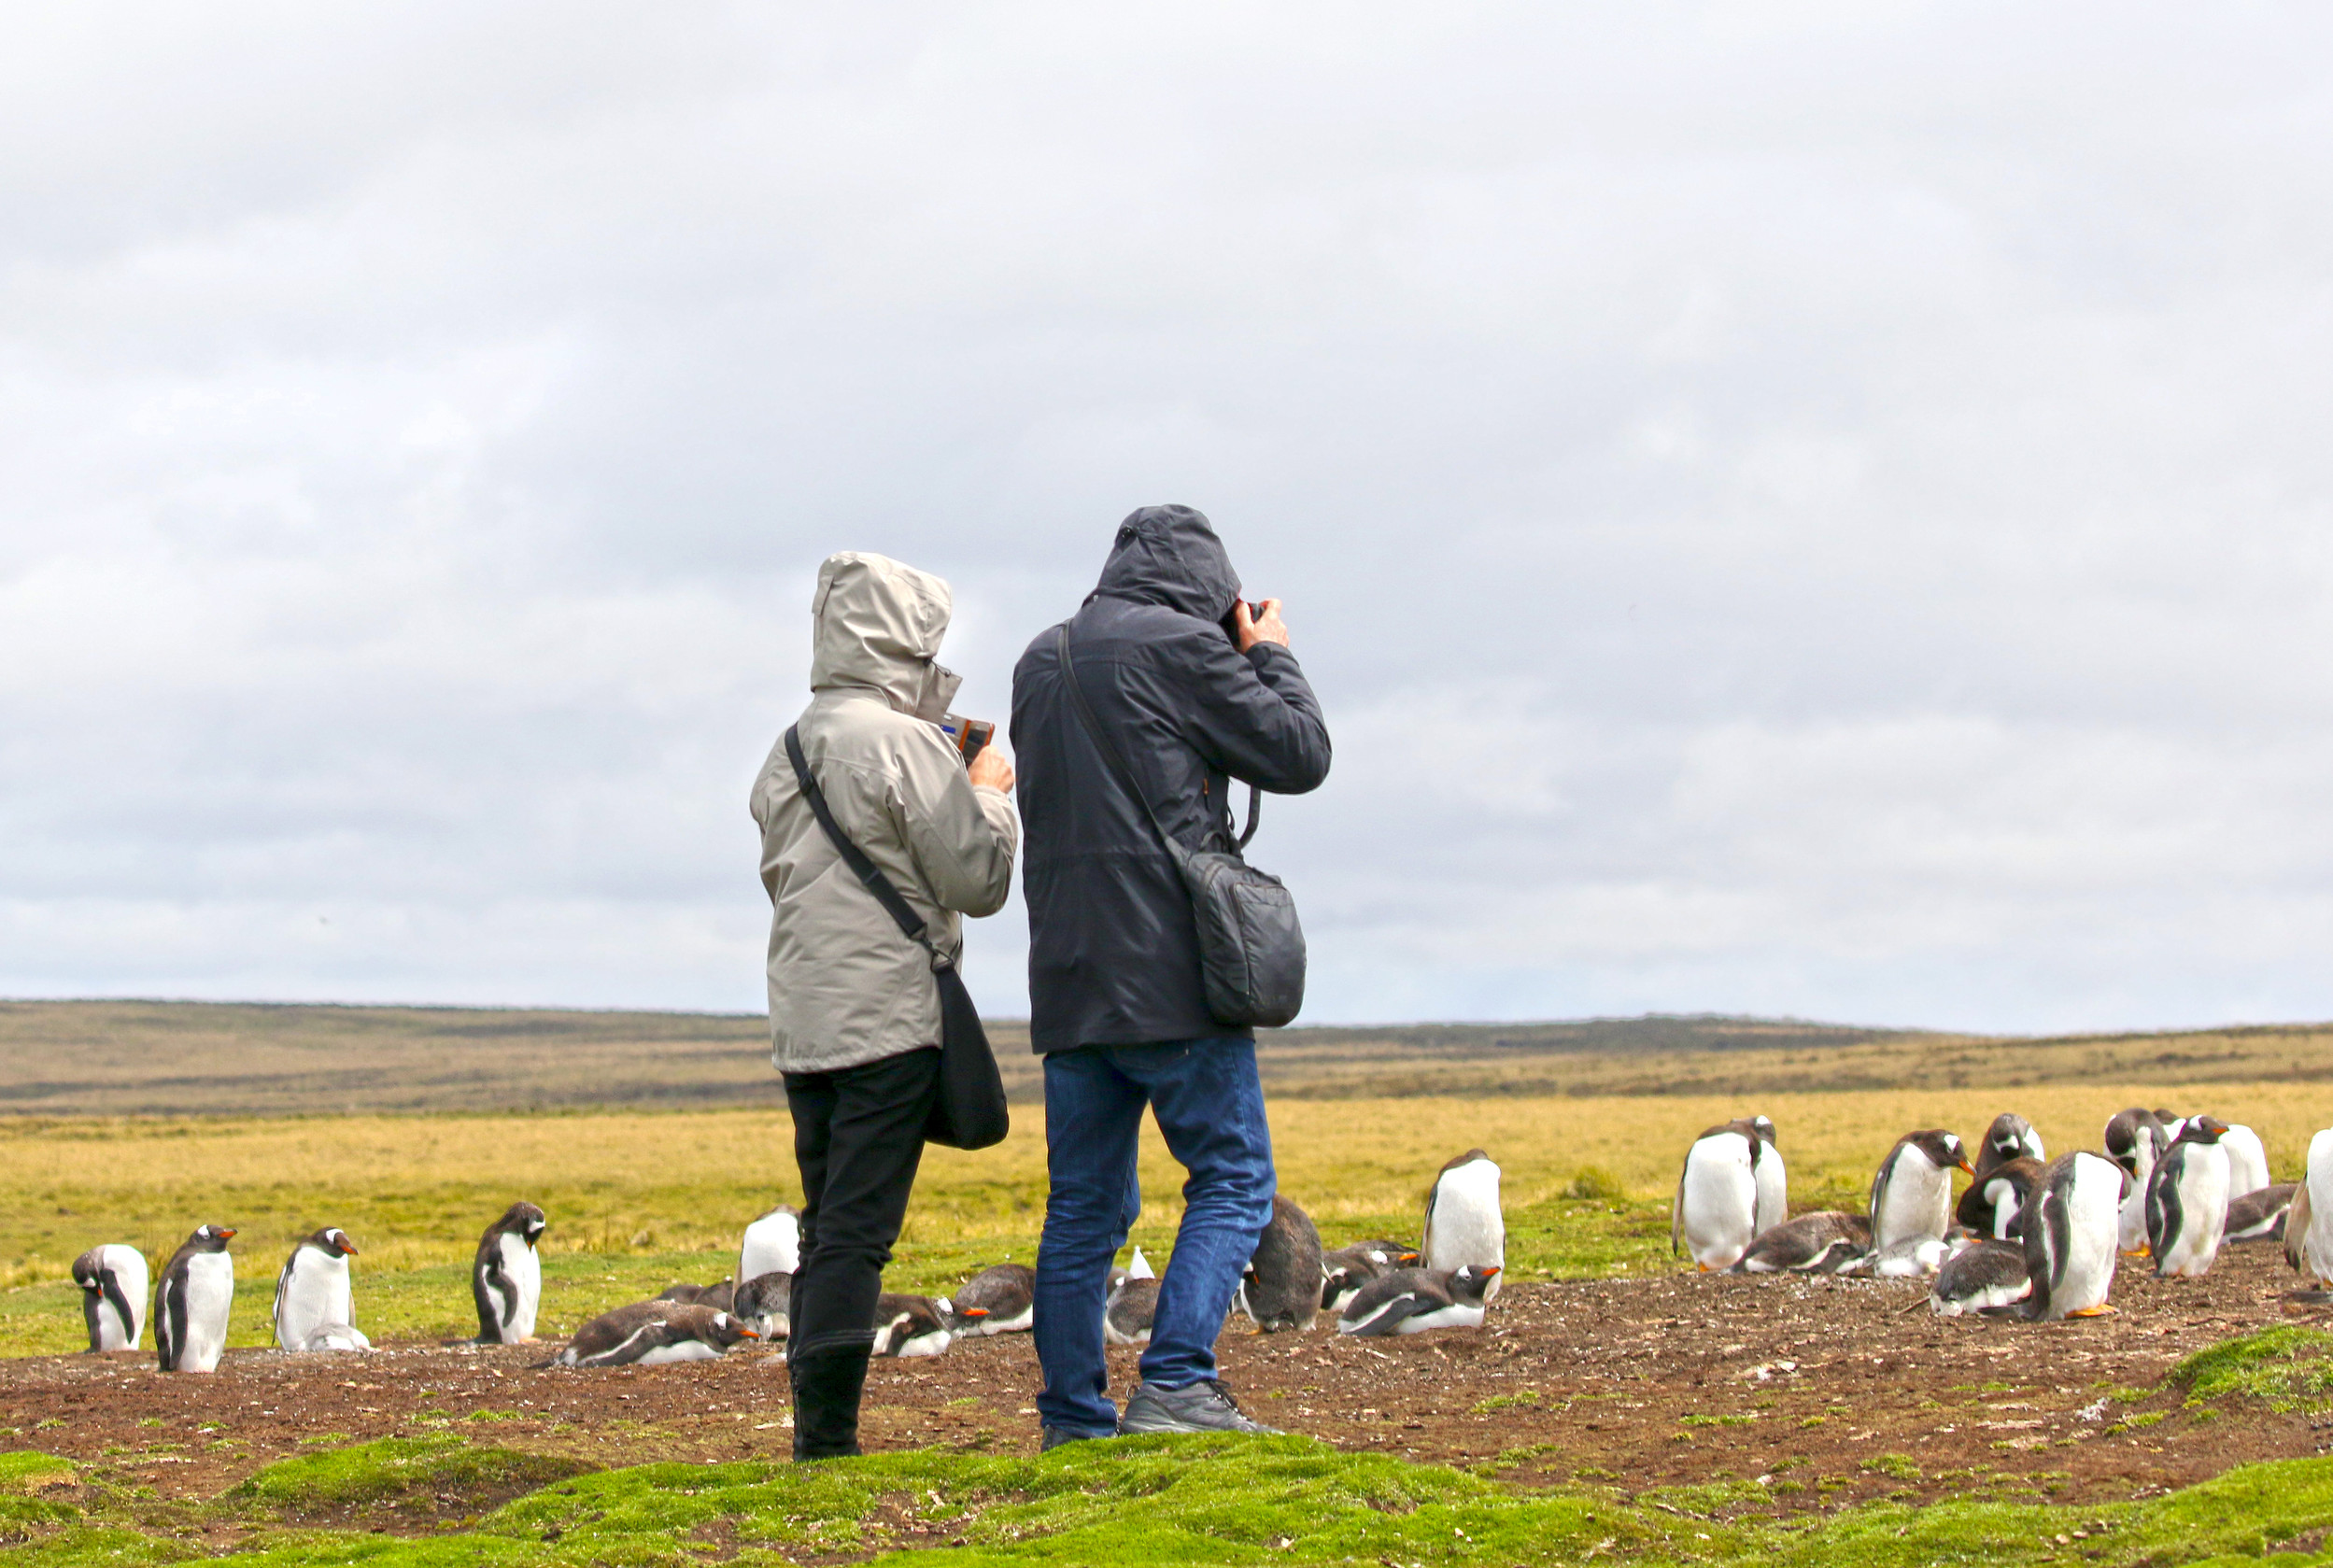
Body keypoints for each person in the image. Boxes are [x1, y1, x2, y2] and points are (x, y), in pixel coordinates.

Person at [1010, 504, 1332, 1446]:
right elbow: (1298, 752)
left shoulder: (1040, 659)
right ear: (1210, 586)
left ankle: (1073, 1417)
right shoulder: (1184, 652)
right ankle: (1178, 1383)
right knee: (1231, 1175)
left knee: (1083, 1208)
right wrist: (1265, 650)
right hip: (1173, 971)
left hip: (1068, 976)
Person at [750, 551, 1018, 1459]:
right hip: (888, 1018)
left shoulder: (786, 748)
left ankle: (819, 1434)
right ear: (905, 639)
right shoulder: (900, 744)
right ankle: (825, 1445)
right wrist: (986, 793)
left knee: (830, 1225)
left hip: (805, 1018)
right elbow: (976, 878)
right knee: (856, 1238)